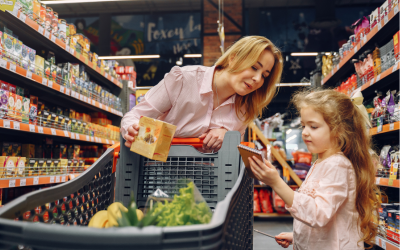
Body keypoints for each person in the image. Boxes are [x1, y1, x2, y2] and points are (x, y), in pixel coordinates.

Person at [248, 89, 380, 250]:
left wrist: (277, 183)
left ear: (339, 131)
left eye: (313, 126)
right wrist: (297, 237)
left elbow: (319, 214)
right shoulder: (321, 162)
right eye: (303, 125)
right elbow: (321, 215)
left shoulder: (337, 165)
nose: (304, 132)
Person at [121, 36, 283, 152]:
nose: (257, 79)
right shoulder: (184, 80)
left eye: (264, 75)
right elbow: (134, 116)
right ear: (233, 59)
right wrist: (133, 131)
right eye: (254, 67)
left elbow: (231, 158)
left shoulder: (245, 109)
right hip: (156, 175)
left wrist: (228, 137)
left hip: (208, 184)